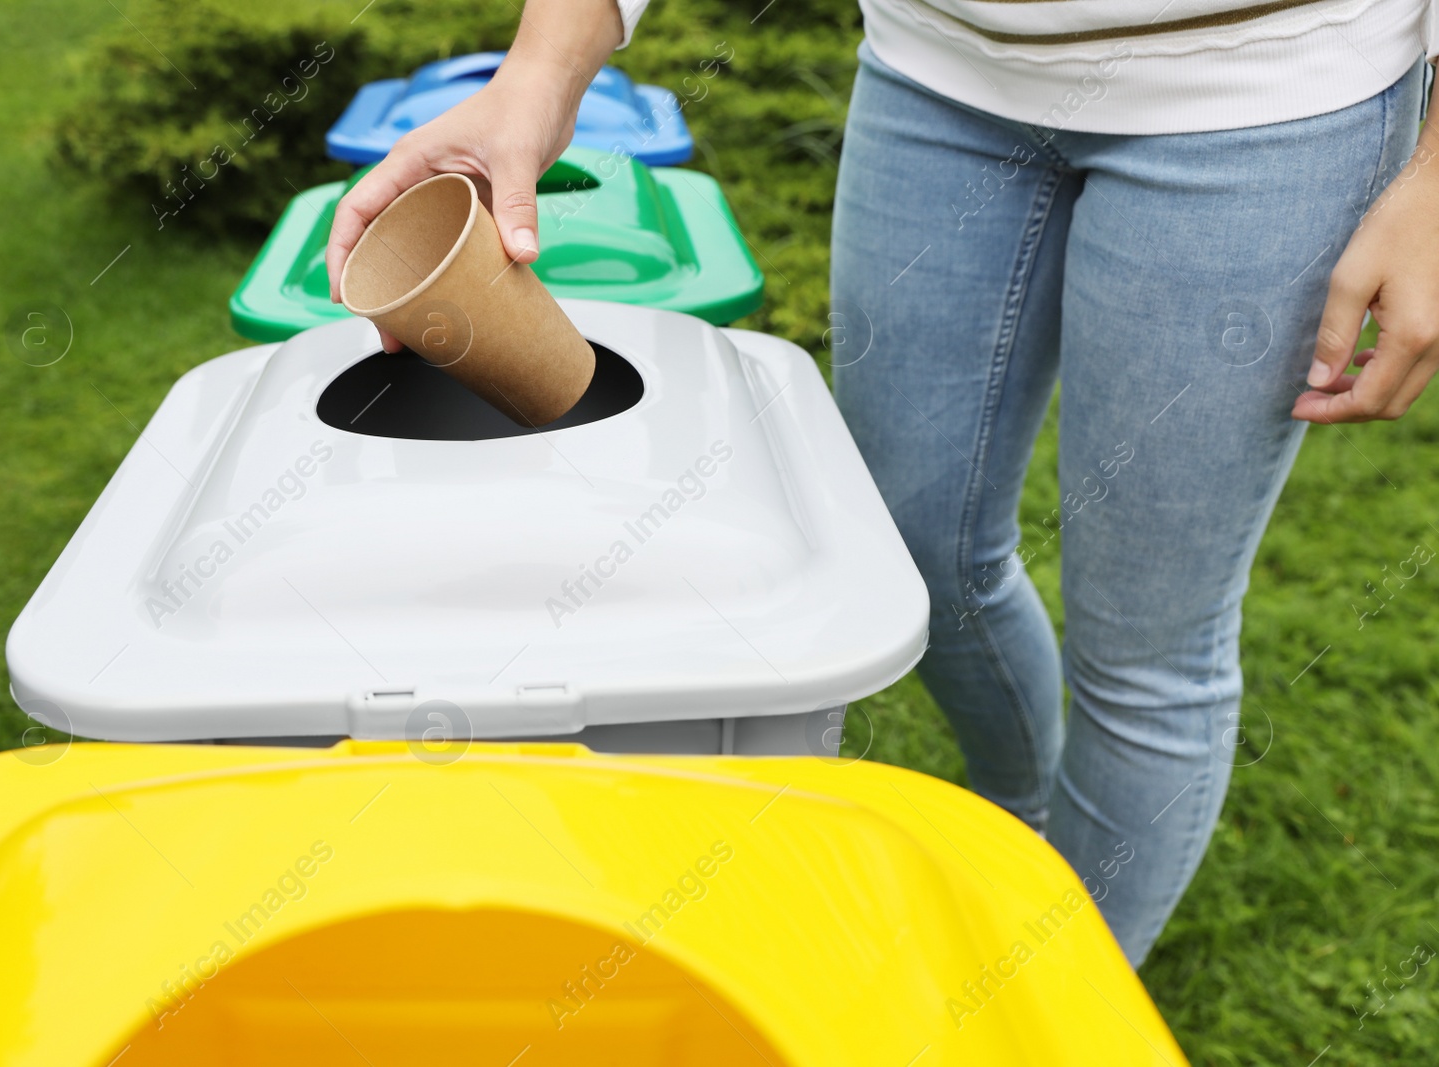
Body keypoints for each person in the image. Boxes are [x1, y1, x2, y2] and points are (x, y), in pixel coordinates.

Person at [326, 0, 1439, 966]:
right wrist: (536, 73)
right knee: (906, 553)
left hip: (1262, 100)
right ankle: (1018, 811)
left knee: (1144, 650)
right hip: (936, 76)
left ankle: (1058, 1002)